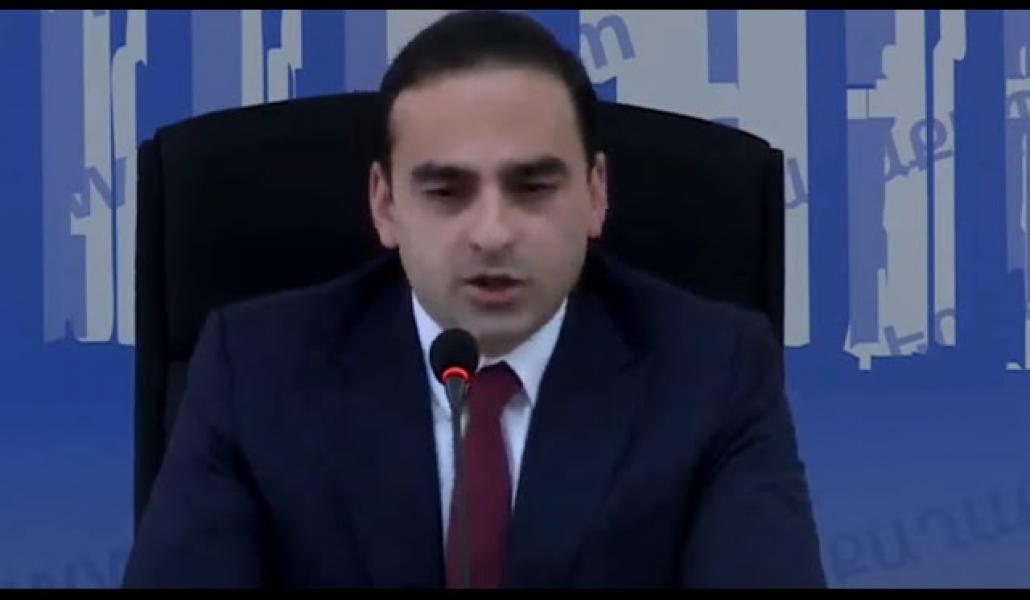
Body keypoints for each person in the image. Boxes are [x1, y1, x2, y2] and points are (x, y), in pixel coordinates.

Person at [123, 9, 826, 589]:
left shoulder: (714, 372)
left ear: (596, 194)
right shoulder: (255, 371)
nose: (492, 233)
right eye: (446, 191)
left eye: (533, 187)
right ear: (385, 205)